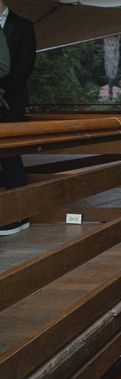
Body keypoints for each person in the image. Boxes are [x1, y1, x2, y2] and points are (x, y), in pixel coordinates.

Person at [0, 1, 36, 236]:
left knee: (11, 154)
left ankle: (17, 216)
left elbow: (26, 66)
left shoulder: (23, 25)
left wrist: (1, 91)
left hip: (12, 100)